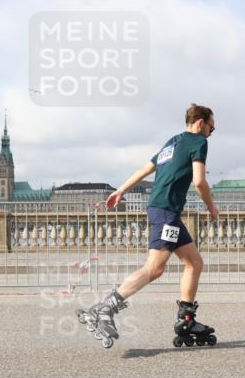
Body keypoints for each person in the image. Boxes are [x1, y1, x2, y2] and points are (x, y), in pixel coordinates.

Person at [77, 104, 220, 349]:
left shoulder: (172, 143)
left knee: (194, 262)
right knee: (154, 269)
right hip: (166, 212)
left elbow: (146, 169)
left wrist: (121, 190)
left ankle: (186, 319)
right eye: (211, 128)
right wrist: (212, 207)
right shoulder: (198, 142)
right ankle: (105, 309)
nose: (210, 133)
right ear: (200, 123)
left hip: (162, 209)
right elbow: (199, 181)